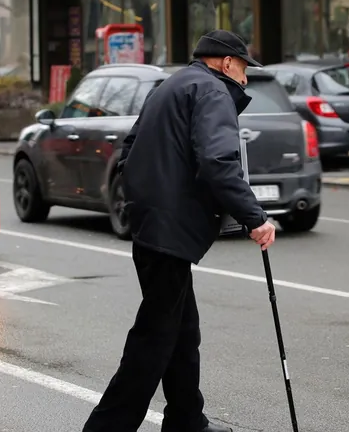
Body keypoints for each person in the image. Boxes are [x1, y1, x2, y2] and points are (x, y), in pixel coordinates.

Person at [81, 30, 277, 432]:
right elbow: (219, 162)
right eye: (243, 69)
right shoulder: (213, 92)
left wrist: (145, 200)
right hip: (168, 232)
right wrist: (255, 218)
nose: (245, 79)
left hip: (152, 226)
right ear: (226, 63)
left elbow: (129, 151)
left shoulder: (171, 86)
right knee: (153, 340)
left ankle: (187, 420)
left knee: (183, 332)